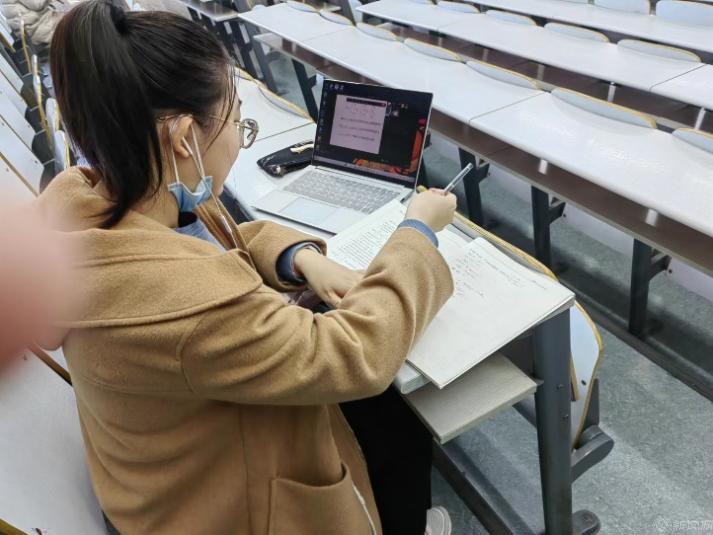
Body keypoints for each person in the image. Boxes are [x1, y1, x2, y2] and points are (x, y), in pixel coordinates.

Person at [37, 1, 457, 533]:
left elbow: (217, 239)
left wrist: (298, 256)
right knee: (394, 417)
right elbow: (354, 354)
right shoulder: (188, 305)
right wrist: (417, 232)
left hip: (155, 475)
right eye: (237, 120)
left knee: (389, 423)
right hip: (222, 505)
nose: (239, 135)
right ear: (183, 138)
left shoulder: (106, 198)